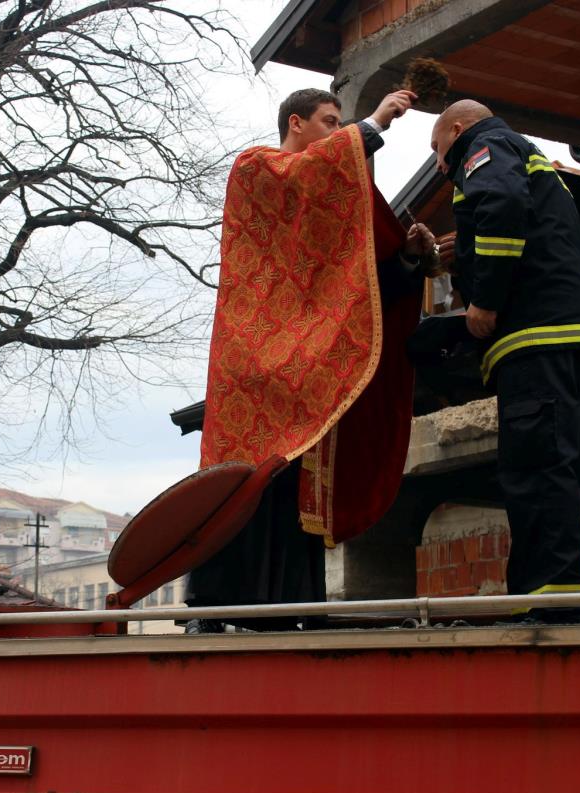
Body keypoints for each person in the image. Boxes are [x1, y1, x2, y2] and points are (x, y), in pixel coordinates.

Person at [185, 88, 439, 633]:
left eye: (341, 124)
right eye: (329, 122)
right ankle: (216, 608)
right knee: (244, 485)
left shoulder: (332, 214)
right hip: (254, 364)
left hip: (304, 368)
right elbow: (311, 173)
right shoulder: (256, 169)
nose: (338, 134)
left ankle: (294, 609)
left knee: (294, 490)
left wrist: (410, 258)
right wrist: (375, 123)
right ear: (295, 124)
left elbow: (359, 290)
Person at [429, 100, 580, 624]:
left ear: (457, 130)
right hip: (575, 332)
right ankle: (552, 594)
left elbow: (502, 206)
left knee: (536, 466)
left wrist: (483, 299)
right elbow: (523, 223)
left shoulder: (485, 147)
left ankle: (552, 603)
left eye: (439, 150)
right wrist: (464, 248)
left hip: (539, 335)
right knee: (561, 467)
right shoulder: (525, 156)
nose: (442, 166)